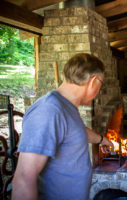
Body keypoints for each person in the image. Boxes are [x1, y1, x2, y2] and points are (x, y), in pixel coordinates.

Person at [12, 53, 114, 200]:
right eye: (101, 83)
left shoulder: (65, 107)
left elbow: (75, 130)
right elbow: (23, 179)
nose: (99, 90)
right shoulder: (48, 110)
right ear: (93, 82)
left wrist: (101, 139)